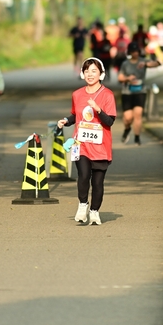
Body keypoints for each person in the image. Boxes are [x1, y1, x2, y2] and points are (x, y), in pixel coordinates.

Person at [57, 57, 116, 225]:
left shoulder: (107, 95)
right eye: (86, 71)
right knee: (83, 175)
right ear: (82, 74)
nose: (90, 74)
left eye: (94, 71)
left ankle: (94, 212)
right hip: (81, 144)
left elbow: (110, 121)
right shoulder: (77, 94)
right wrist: (66, 121)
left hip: (100, 146)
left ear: (101, 74)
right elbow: (76, 115)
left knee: (97, 182)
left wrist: (98, 109)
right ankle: (83, 204)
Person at [118, 42, 160, 146]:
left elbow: (157, 63)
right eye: (133, 51)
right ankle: (127, 129)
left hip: (140, 92)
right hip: (127, 92)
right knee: (128, 117)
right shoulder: (125, 64)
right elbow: (120, 78)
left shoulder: (143, 61)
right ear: (129, 52)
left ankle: (137, 137)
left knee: (138, 114)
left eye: (136, 51)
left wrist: (145, 64)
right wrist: (128, 78)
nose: (135, 53)